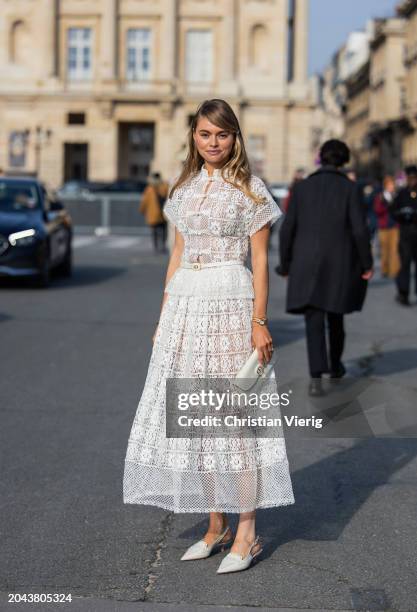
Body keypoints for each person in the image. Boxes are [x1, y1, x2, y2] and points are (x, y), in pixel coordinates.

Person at [123, 98, 295, 574]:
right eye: (204, 134)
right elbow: (175, 255)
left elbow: (259, 262)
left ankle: (248, 532)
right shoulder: (183, 186)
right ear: (193, 137)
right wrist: (163, 316)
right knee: (194, 416)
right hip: (185, 305)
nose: (213, 143)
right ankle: (214, 525)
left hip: (230, 302)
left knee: (233, 422)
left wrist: (259, 321)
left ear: (234, 138)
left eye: (222, 135)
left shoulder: (250, 190)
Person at [277, 139, 373, 397]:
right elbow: (360, 230)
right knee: (336, 315)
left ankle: (315, 377)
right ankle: (335, 365)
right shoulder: (350, 189)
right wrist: (367, 263)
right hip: (340, 262)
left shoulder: (302, 187)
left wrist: (284, 263)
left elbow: (288, 229)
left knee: (313, 320)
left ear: (320, 158)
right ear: (344, 160)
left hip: (305, 262)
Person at [388, 164, 417, 306]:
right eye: (410, 178)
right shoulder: (402, 193)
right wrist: (401, 214)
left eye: (414, 178)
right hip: (406, 234)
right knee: (404, 264)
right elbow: (392, 210)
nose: (412, 181)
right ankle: (403, 293)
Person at [373, 175, 400, 278]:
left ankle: (394, 270)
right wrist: (386, 205)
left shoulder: (396, 196)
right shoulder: (380, 196)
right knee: (385, 250)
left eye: (392, 184)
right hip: (383, 226)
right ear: (385, 186)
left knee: (394, 249)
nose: (391, 186)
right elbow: (377, 210)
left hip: (394, 225)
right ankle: (385, 269)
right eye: (389, 184)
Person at [139, 172, 169, 253]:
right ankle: (162, 245)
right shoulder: (164, 186)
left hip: (153, 214)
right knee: (163, 230)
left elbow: (144, 201)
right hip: (163, 213)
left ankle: (156, 246)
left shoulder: (149, 188)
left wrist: (141, 210)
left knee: (154, 231)